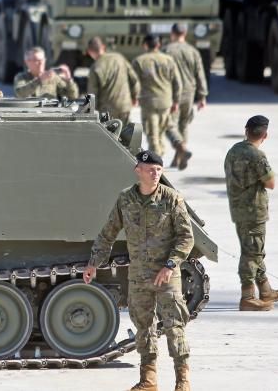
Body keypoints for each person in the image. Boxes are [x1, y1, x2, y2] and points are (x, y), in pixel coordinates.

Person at [84, 150, 194, 391]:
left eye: (158, 170)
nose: (155, 174)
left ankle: (182, 381)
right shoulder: (126, 199)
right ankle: (148, 379)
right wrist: (94, 263)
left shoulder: (172, 199)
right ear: (139, 171)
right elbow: (108, 233)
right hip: (138, 276)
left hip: (166, 276)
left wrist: (170, 265)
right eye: (150, 169)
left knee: (175, 326)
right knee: (144, 328)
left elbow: (186, 238)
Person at [225, 115, 278, 311]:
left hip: (238, 208)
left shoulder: (233, 151)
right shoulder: (257, 156)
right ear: (265, 135)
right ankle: (248, 297)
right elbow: (271, 183)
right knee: (252, 252)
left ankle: (265, 290)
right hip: (254, 210)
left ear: (246, 130)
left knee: (254, 249)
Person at [132, 35, 191, 165]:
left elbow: (134, 83)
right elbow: (178, 83)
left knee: (153, 134)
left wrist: (134, 97)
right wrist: (176, 101)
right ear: (158, 45)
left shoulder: (139, 61)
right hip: (166, 102)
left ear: (145, 45)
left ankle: (156, 165)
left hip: (149, 103)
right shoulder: (169, 60)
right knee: (167, 127)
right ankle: (181, 146)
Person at [163, 23, 208, 169]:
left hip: (172, 92)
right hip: (189, 92)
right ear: (185, 33)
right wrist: (202, 96)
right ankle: (179, 157)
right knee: (184, 124)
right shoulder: (193, 51)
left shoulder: (167, 50)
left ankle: (181, 150)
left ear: (172, 33)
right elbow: (200, 74)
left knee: (169, 124)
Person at [85, 37, 140, 125]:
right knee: (125, 135)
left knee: (108, 137)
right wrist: (135, 97)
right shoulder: (119, 58)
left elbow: (92, 94)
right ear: (103, 47)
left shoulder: (95, 67)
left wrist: (90, 112)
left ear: (90, 52)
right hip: (124, 106)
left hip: (106, 110)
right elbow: (134, 79)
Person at [13, 46, 79, 99]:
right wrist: (40, 80)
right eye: (36, 60)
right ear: (27, 62)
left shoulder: (53, 78)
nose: (40, 63)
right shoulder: (21, 77)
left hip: (49, 113)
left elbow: (73, 96)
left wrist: (68, 79)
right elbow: (20, 94)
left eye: (42, 60)